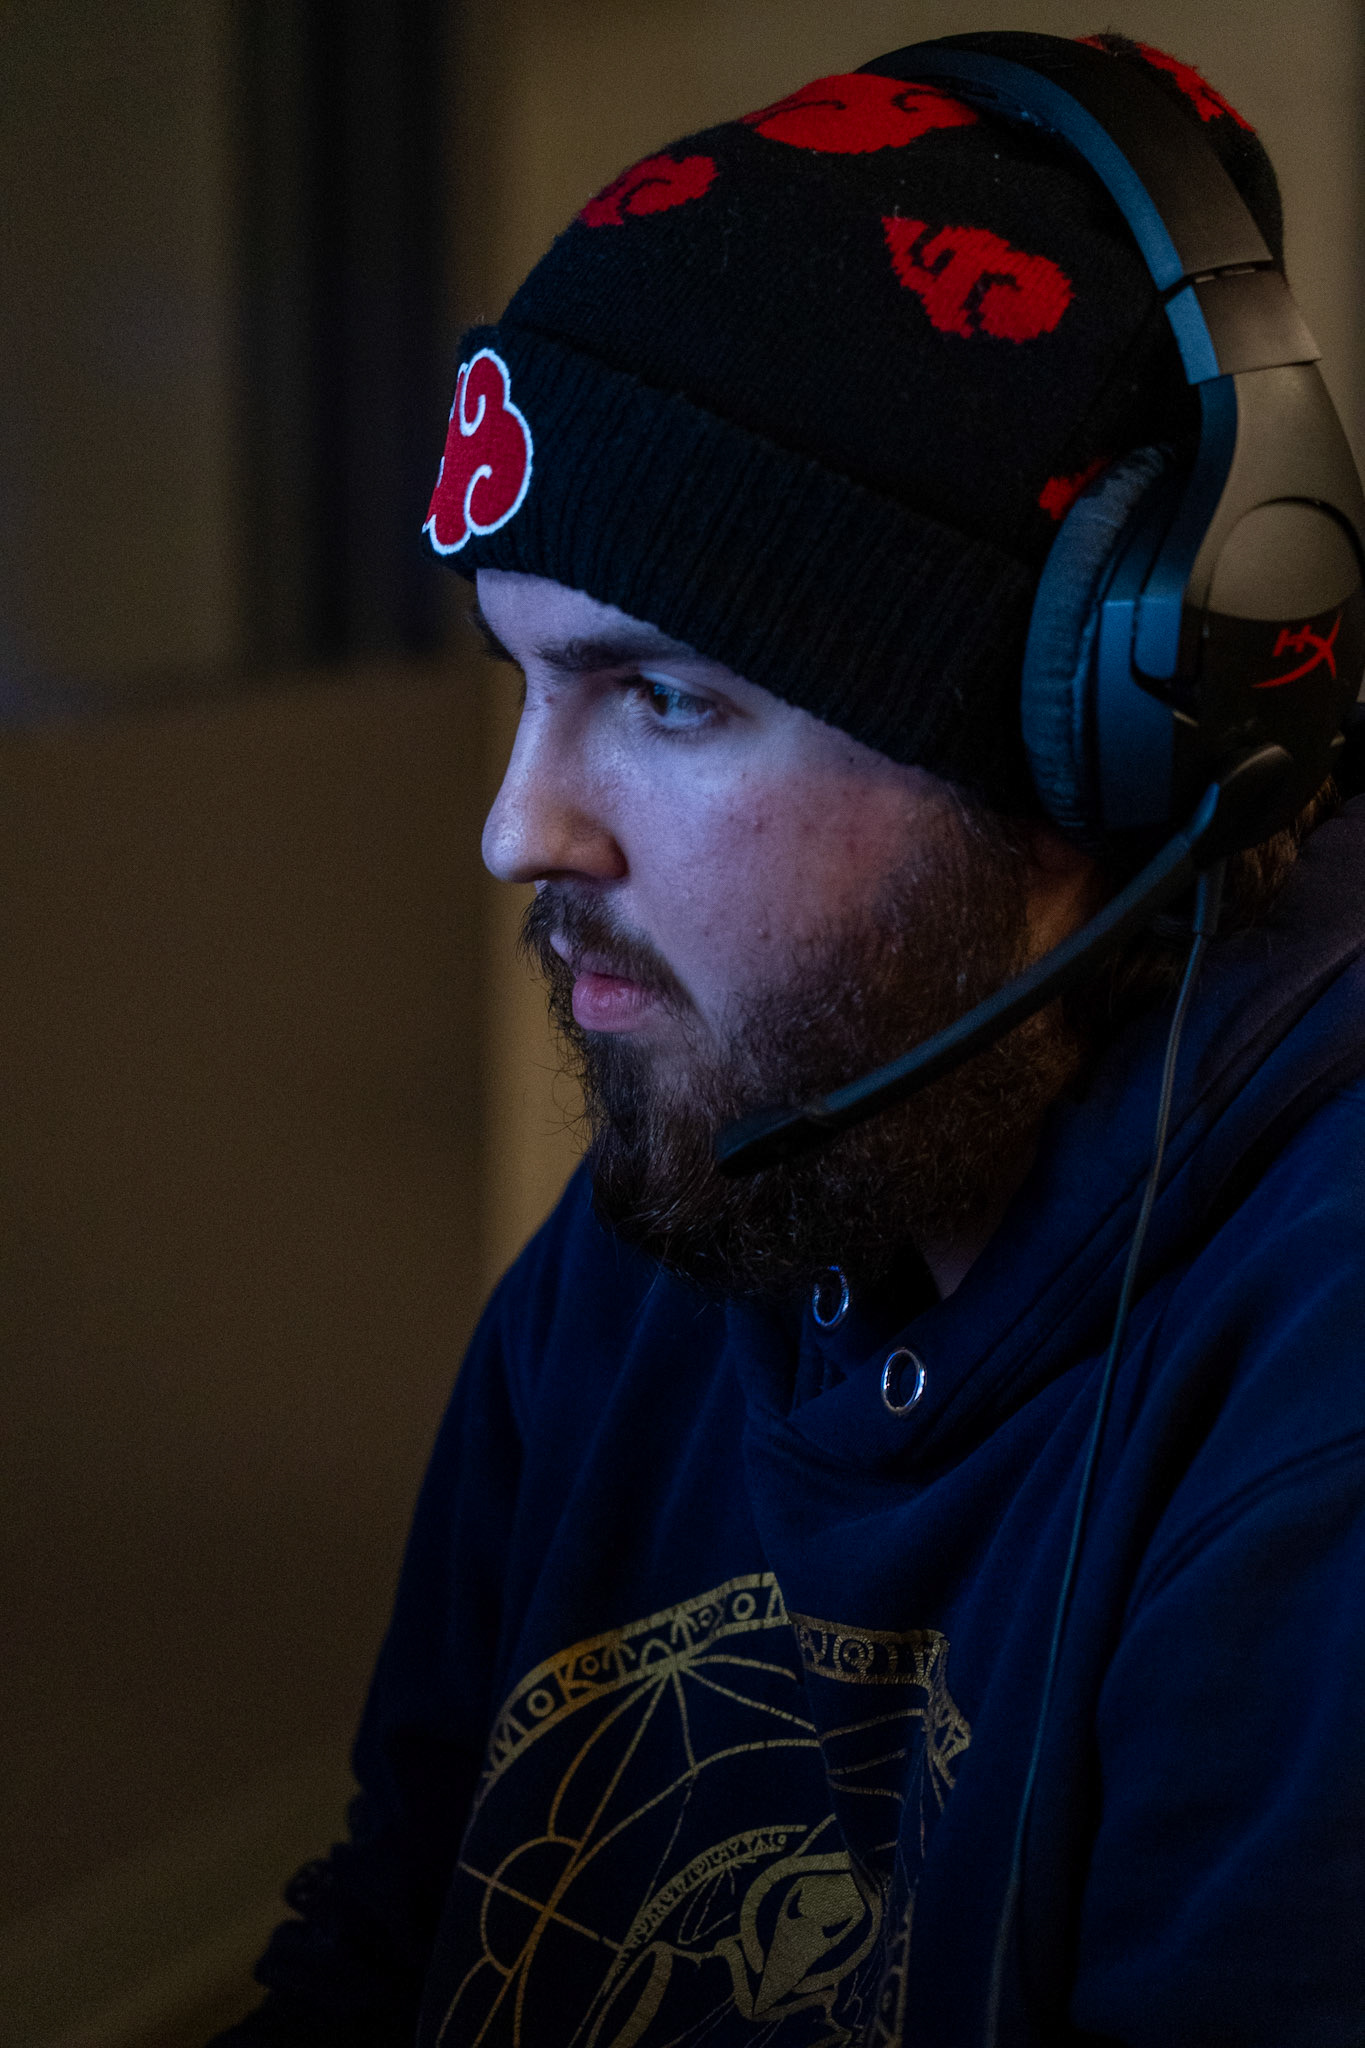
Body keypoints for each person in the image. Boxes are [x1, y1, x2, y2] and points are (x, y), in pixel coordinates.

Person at [216, 30, 1365, 2048]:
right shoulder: (716, 1174)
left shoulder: (1311, 1393)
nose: (517, 828)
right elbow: (399, 1929)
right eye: (520, 677)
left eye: (662, 698)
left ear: (1084, 747)